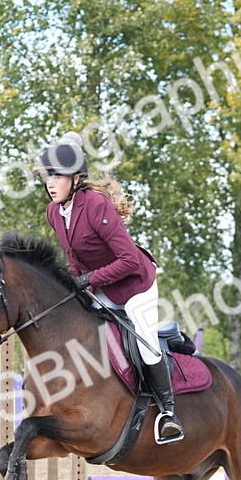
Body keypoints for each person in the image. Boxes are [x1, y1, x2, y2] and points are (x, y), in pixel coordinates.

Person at [32, 132, 184, 444]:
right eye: (48, 176)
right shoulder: (53, 213)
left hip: (135, 286)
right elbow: (74, 257)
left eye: (57, 176)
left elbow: (128, 260)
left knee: (145, 345)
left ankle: (169, 413)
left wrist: (88, 280)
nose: (50, 183)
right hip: (101, 287)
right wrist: (74, 283)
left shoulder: (97, 205)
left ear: (75, 179)